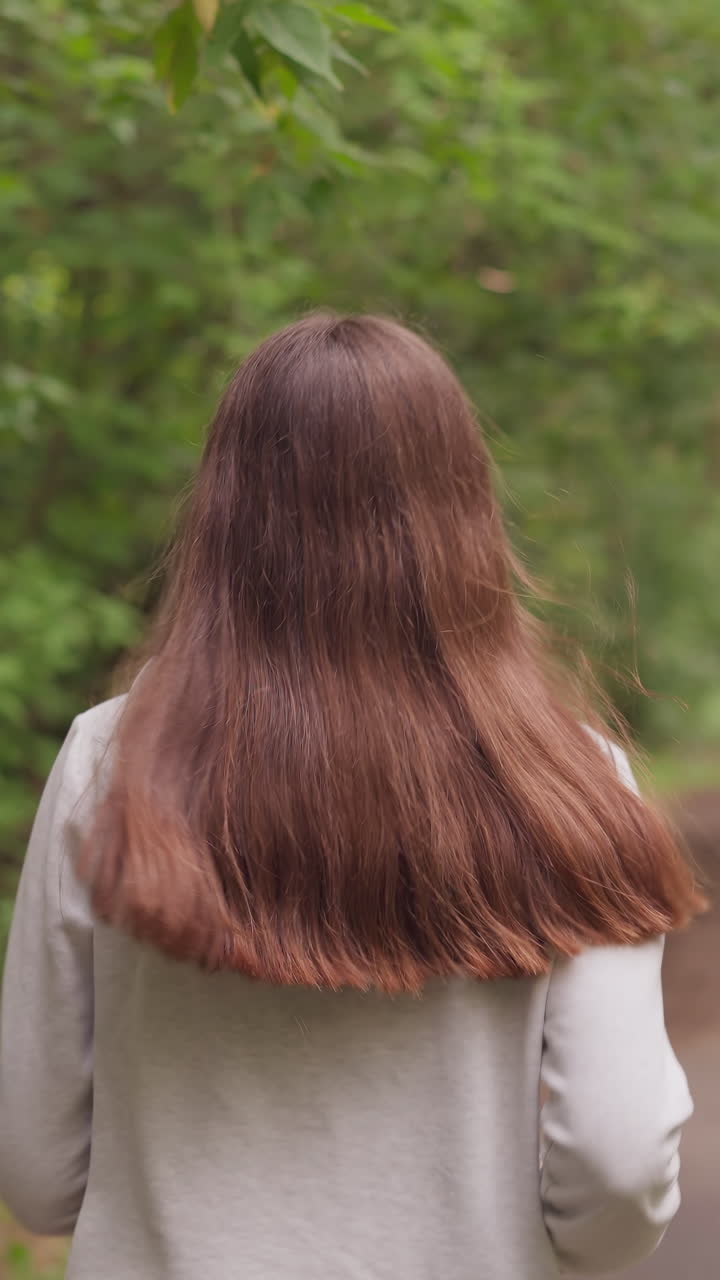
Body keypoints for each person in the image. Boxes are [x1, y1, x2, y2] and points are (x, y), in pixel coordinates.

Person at [0, 314, 702, 1280]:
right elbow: (618, 1162)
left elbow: (35, 1173)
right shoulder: (572, 781)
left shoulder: (107, 762)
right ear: (464, 506)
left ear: (227, 511)